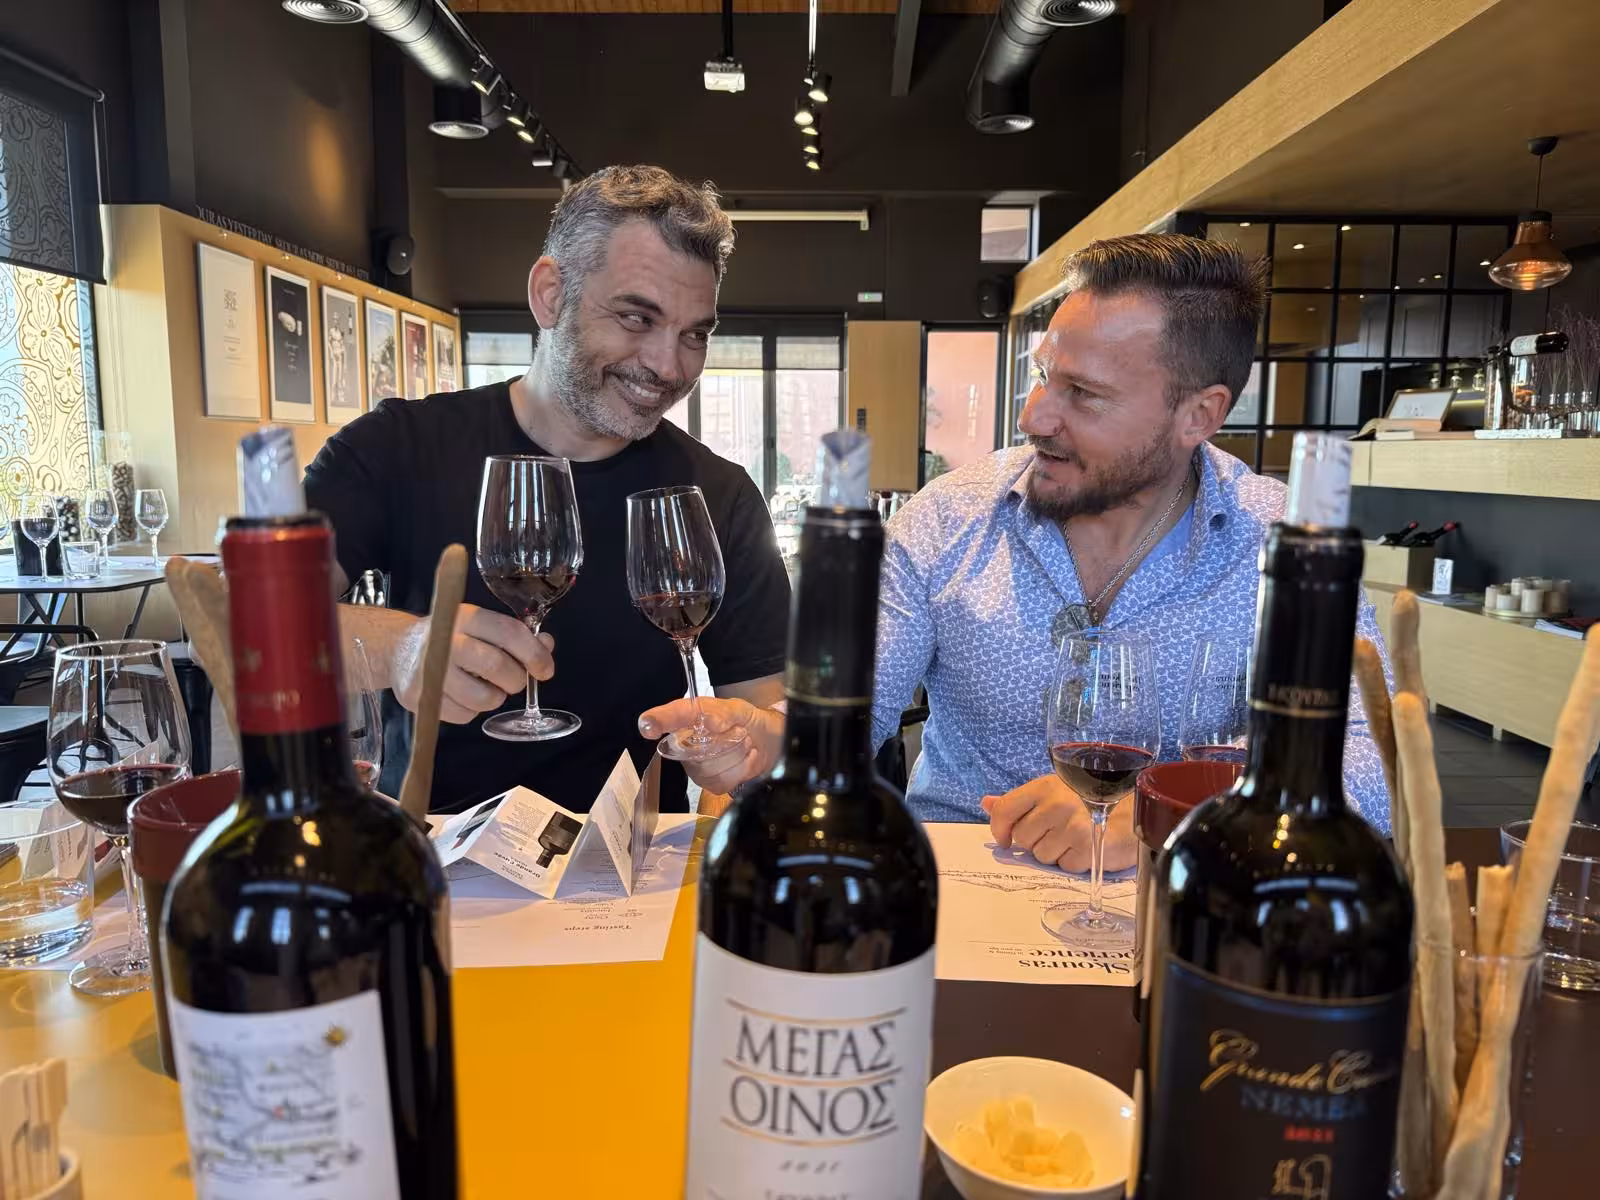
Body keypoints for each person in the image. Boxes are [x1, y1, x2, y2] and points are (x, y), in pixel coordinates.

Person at [642, 233, 1392, 870]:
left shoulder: (1280, 546)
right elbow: (849, 711)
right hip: (958, 891)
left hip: (1184, 902)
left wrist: (1164, 808)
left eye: (1084, 394)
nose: (1036, 416)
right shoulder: (948, 522)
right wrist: (765, 737)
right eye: (1041, 377)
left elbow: (1373, 761)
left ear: (1200, 414)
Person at [307, 165, 789, 813]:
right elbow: (237, 622)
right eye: (636, 318)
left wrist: (759, 743)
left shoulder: (718, 496)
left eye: (694, 334)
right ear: (549, 294)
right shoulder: (396, 446)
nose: (669, 367)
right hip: (432, 862)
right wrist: (399, 649)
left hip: (632, 884)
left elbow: (770, 711)